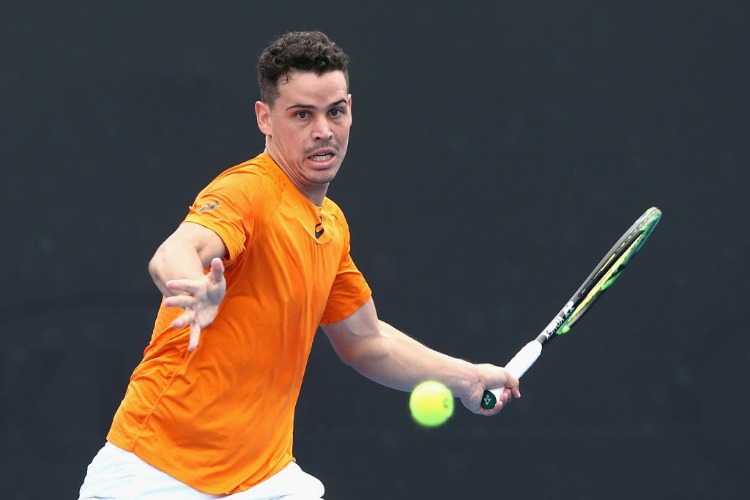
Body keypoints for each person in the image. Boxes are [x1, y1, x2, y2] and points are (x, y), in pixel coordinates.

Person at [78, 30, 521, 499]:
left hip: (263, 478)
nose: (323, 131)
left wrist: (467, 379)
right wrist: (191, 286)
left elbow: (366, 342)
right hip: (156, 475)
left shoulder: (329, 224)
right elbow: (176, 250)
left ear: (350, 108)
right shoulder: (246, 191)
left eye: (335, 112)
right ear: (264, 118)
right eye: (302, 115)